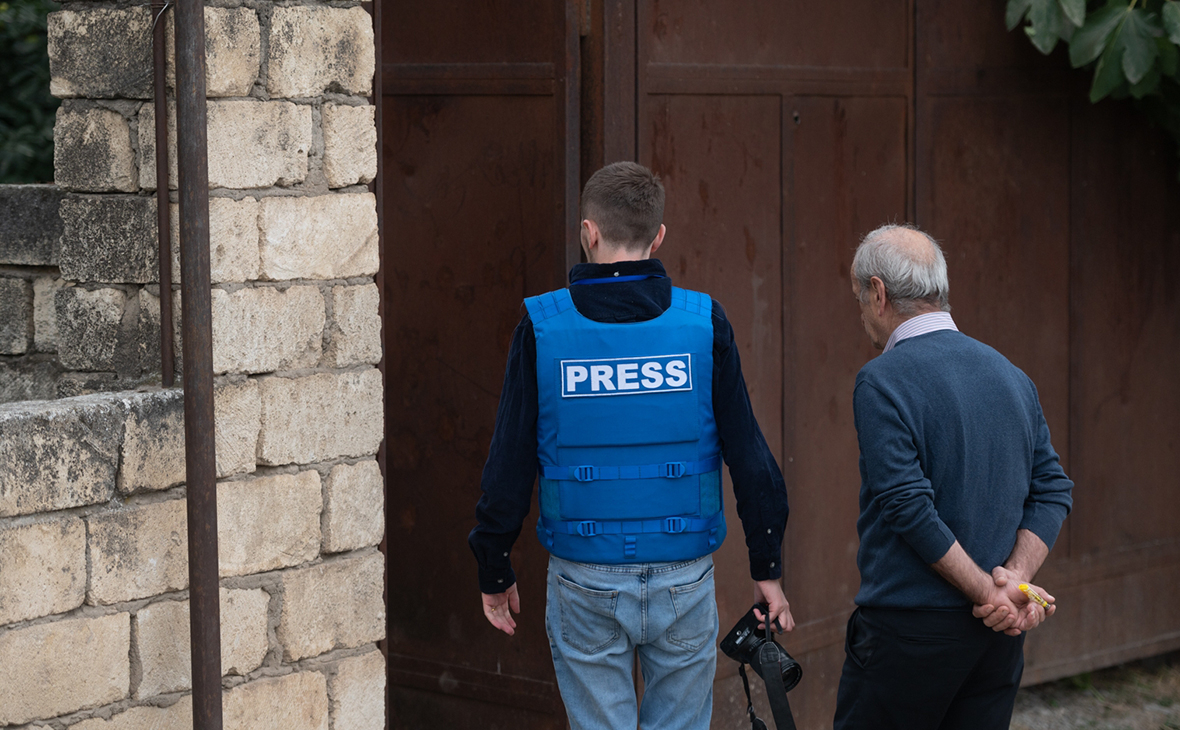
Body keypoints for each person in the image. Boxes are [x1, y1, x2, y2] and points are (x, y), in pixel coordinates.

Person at [469, 161, 793, 730]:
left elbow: (509, 463)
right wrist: (767, 566)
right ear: (658, 236)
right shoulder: (703, 323)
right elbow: (751, 456)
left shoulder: (541, 327)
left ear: (588, 232)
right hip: (684, 578)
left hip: (583, 577)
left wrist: (493, 565)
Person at [832, 223, 1075, 730]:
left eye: (858, 298)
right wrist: (1015, 582)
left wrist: (992, 595)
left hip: (909, 635)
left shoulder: (882, 378)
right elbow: (1053, 489)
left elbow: (907, 507)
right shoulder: (1011, 375)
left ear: (877, 293)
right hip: (995, 643)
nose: (861, 315)